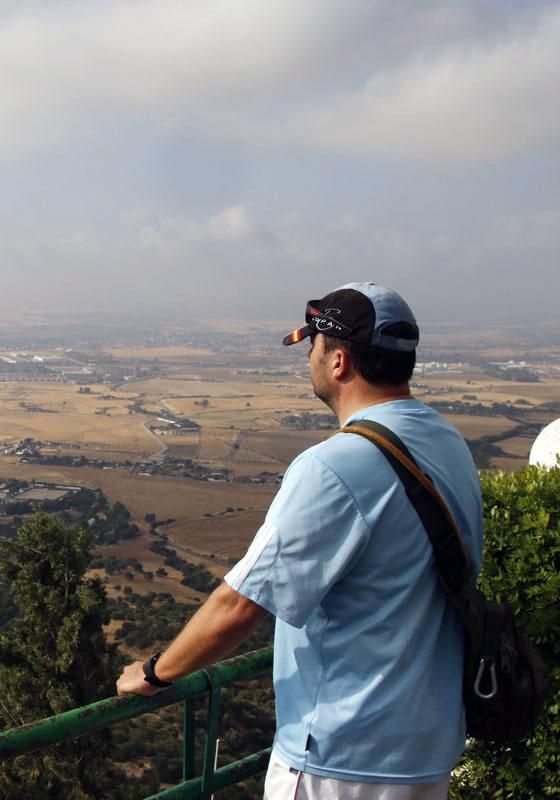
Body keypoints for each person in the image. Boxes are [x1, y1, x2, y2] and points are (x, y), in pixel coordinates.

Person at [117, 282, 483, 799]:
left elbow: (240, 606)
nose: (308, 358)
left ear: (338, 361)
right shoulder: (448, 442)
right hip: (428, 749)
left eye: (312, 345)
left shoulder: (334, 466)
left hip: (342, 758)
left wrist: (155, 672)